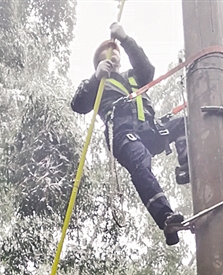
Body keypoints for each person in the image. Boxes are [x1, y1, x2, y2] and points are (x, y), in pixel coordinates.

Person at [71, 22, 189, 245]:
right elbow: (78, 104)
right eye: (108, 52)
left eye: (115, 52)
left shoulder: (133, 77)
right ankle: (166, 218)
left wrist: (125, 39)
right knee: (140, 163)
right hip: (122, 133)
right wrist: (96, 77)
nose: (113, 54)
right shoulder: (97, 83)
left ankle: (186, 165)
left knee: (184, 123)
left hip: (149, 129)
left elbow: (147, 69)